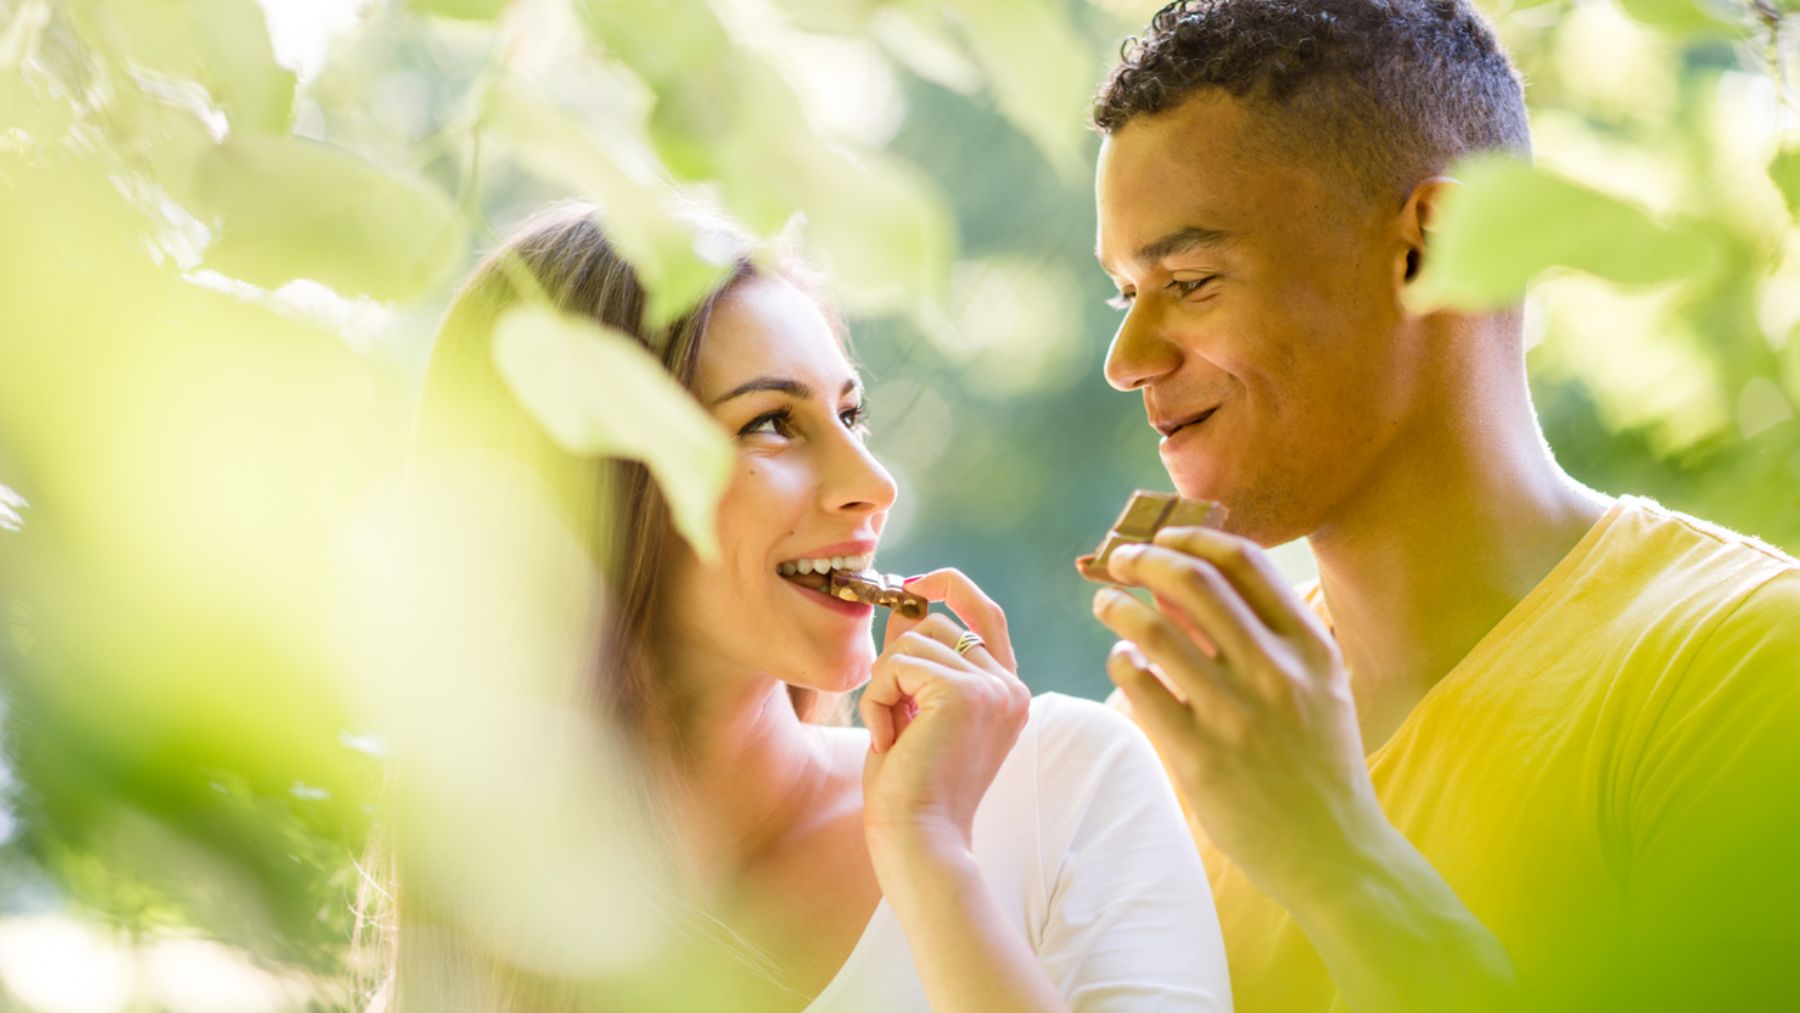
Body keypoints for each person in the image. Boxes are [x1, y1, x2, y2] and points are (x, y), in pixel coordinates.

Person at [1082, 2, 1800, 1011]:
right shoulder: (1171, 728)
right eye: (1125, 294)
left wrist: (1339, 859)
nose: (1127, 361)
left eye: (1191, 281)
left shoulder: (1744, 668)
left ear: (1432, 245)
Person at [387, 202, 1232, 1011]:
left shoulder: (1059, 787)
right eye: (770, 424)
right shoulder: (487, 914)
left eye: (851, 414)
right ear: (587, 487)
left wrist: (931, 855)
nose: (875, 484)